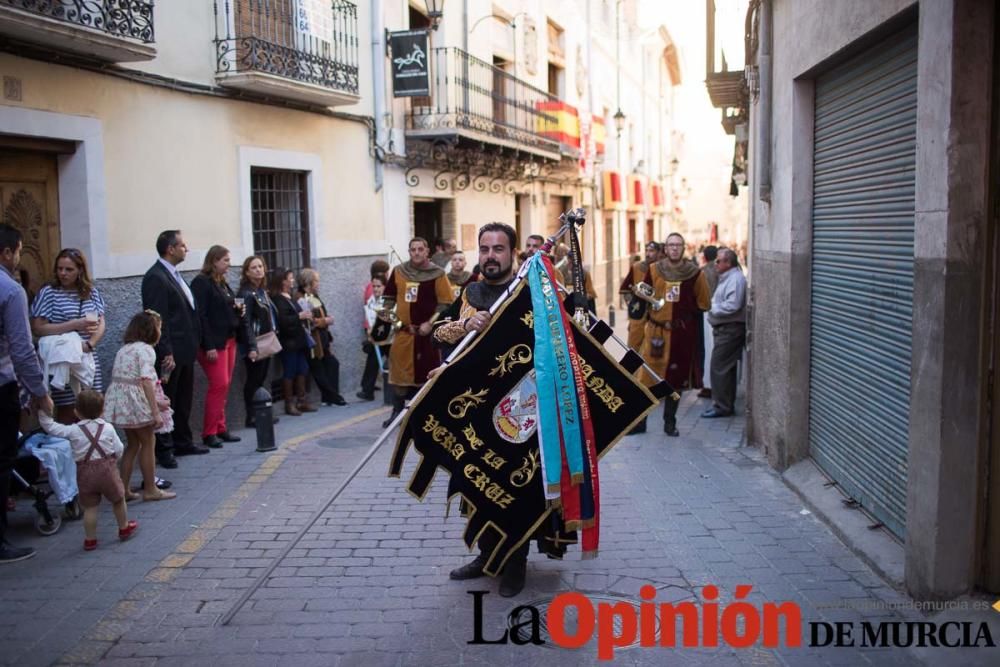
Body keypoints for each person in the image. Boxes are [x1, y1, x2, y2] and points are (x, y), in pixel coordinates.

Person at [432, 222, 530, 597]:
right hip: (474, 407)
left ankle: (515, 562)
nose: (490, 256)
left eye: (498, 249)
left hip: (519, 409)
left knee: (515, 486)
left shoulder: (526, 294)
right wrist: (464, 324)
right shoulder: (469, 292)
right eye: (485, 249)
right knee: (477, 482)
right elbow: (440, 332)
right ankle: (487, 555)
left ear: (512, 253)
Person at [0, 224, 53, 563]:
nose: (19, 256)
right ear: (7, 252)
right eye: (19, 250)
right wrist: (39, 391)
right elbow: (22, 349)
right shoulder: (11, 289)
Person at [38, 390, 138, 551]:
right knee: (118, 500)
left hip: (84, 472)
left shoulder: (73, 430)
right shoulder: (108, 427)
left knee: (90, 508)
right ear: (102, 410)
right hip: (107, 470)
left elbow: (52, 428)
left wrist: (42, 412)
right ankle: (124, 527)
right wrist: (114, 460)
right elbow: (118, 448)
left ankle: (90, 539)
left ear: (76, 412)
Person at [142, 230, 206, 467]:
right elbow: (158, 317)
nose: (186, 249)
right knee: (166, 401)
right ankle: (165, 449)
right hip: (171, 352)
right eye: (182, 245)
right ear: (170, 249)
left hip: (186, 349)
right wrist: (165, 350)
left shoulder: (175, 275)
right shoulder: (156, 277)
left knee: (183, 399)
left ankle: (183, 441)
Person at [638, 233, 711, 436]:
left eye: (678, 245)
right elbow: (643, 293)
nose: (674, 249)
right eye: (671, 245)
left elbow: (704, 302)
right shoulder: (654, 270)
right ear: (666, 248)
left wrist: (684, 312)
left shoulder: (695, 274)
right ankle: (640, 422)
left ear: (683, 247)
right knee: (648, 378)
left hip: (681, 335)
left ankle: (670, 422)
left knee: (675, 380)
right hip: (656, 332)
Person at [104, 311, 177, 502]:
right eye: (159, 328)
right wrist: (156, 411)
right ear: (151, 331)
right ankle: (151, 489)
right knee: (148, 442)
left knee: (133, 444)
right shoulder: (146, 350)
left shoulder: (125, 349)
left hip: (121, 401)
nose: (160, 331)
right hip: (136, 401)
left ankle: (124, 489)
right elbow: (145, 381)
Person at [30, 248, 107, 424]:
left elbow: (101, 321)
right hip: (62, 360)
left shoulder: (90, 292)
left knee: (94, 407)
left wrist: (90, 344)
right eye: (60, 269)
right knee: (69, 410)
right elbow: (38, 328)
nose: (63, 273)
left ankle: (93, 448)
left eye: (68, 269)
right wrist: (74, 325)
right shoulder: (49, 292)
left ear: (80, 270)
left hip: (86, 356)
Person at [382, 238, 454, 426]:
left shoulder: (437, 274)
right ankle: (397, 412)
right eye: (413, 249)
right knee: (398, 375)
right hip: (404, 334)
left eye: (420, 249)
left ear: (427, 251)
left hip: (427, 336)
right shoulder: (398, 272)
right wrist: (391, 317)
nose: (416, 252)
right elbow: (388, 298)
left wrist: (430, 324)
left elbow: (445, 302)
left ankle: (426, 415)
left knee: (427, 375)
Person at [190, 245, 243, 448]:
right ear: (214, 261)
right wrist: (208, 345)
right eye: (226, 260)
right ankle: (209, 432)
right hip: (214, 344)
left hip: (229, 340)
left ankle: (221, 427)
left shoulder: (222, 282)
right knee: (218, 384)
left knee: (224, 385)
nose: (229, 265)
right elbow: (200, 316)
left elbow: (226, 308)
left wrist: (237, 311)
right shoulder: (202, 283)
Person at [702, 248, 747, 418]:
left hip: (730, 329)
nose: (716, 264)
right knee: (724, 368)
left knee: (719, 367)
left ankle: (722, 406)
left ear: (728, 263)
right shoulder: (728, 277)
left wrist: (712, 308)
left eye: (719, 261)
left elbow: (733, 305)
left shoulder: (735, 279)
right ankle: (724, 404)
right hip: (724, 329)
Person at [237, 256, 279, 428]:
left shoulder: (261, 291)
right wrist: (251, 347)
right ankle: (252, 416)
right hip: (255, 343)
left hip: (266, 341)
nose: (258, 270)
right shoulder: (246, 293)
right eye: (253, 267)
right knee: (253, 380)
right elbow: (244, 322)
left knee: (261, 378)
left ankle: (261, 412)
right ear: (246, 272)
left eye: (260, 266)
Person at [298, 268, 346, 407]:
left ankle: (329, 397)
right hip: (312, 341)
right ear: (309, 282)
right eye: (316, 281)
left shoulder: (315, 296)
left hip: (323, 339)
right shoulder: (301, 297)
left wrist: (326, 319)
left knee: (332, 363)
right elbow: (311, 320)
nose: (318, 283)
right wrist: (326, 321)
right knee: (319, 370)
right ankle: (334, 397)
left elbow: (322, 313)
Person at [270, 267, 315, 416]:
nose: (293, 280)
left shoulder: (289, 296)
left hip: (298, 341)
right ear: (283, 281)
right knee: (289, 372)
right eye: (290, 278)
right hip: (288, 342)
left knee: (302, 369)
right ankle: (289, 404)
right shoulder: (278, 299)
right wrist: (299, 316)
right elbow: (283, 321)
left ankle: (301, 400)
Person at [619, 241, 662, 354]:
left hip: (655, 316)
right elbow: (625, 289)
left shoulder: (662, 270)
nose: (648, 254)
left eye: (652, 251)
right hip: (637, 316)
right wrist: (631, 303)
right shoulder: (636, 267)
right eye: (647, 251)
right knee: (633, 349)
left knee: (652, 350)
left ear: (658, 253)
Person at [358, 272, 390, 401]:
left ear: (384, 287)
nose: (376, 289)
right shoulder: (371, 301)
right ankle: (367, 390)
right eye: (374, 286)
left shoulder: (388, 302)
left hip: (390, 338)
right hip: (378, 338)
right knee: (372, 358)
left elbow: (392, 322)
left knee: (394, 363)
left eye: (379, 286)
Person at [697, 245, 720, 399]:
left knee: (707, 349)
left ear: (704, 256)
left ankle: (708, 386)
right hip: (717, 311)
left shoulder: (703, 272)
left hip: (706, 312)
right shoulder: (719, 270)